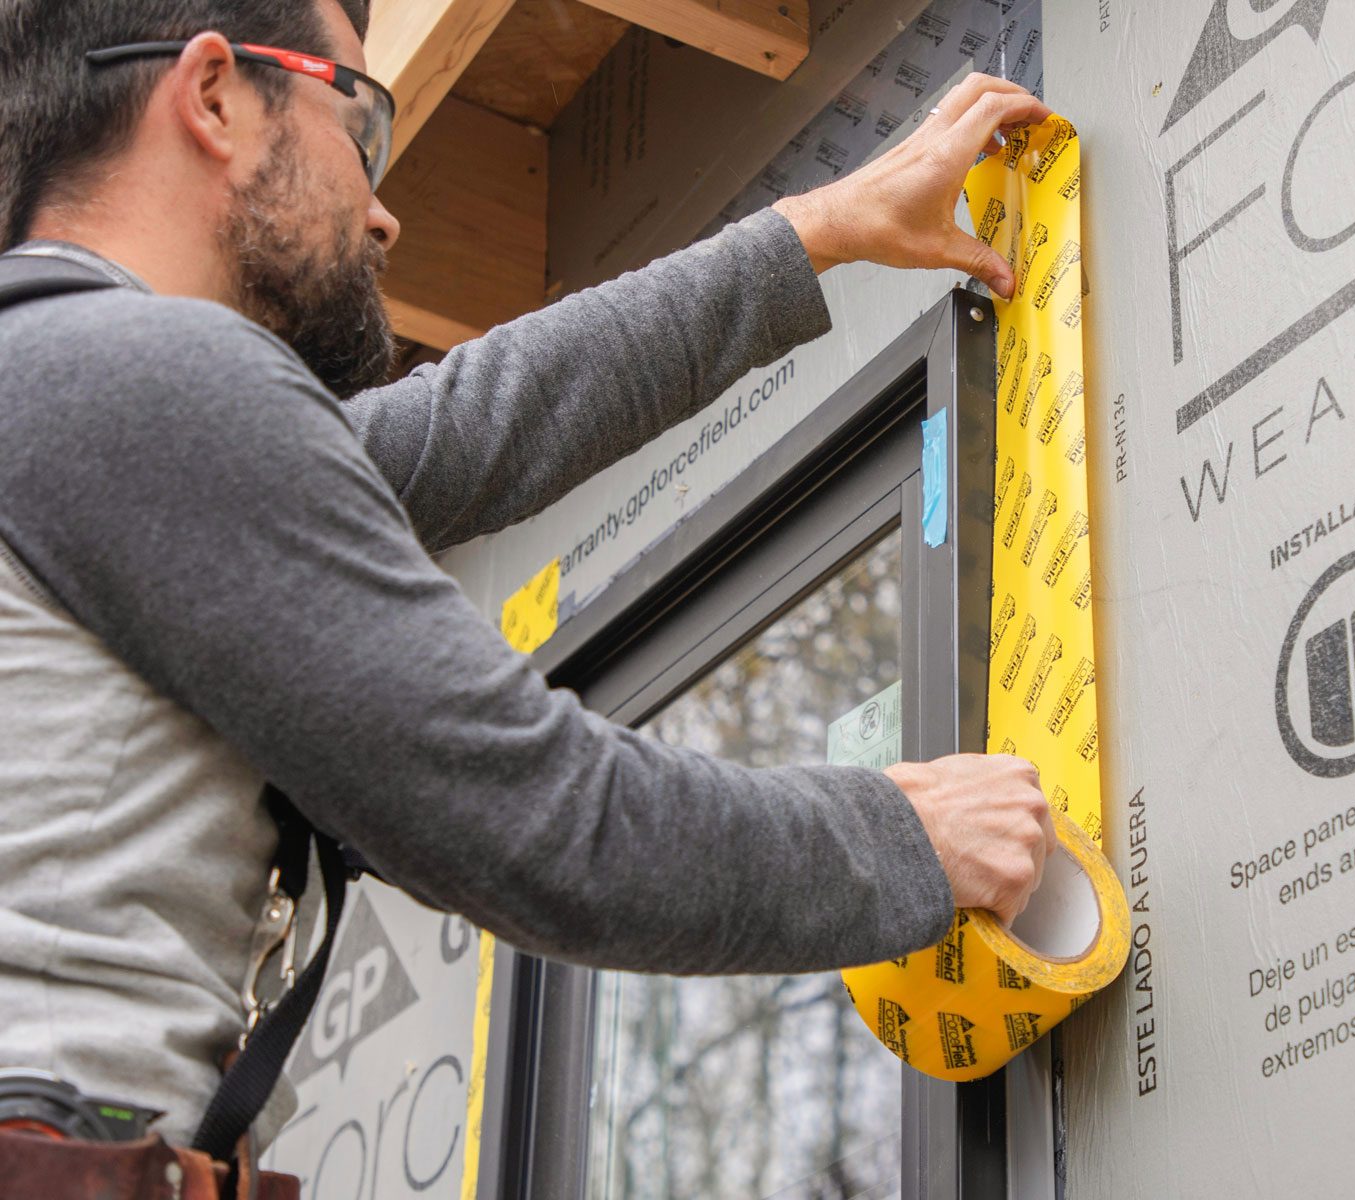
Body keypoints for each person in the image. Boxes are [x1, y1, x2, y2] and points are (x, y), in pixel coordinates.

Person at [0, 0, 1055, 1169]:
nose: (385, 213)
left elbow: (469, 431)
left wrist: (817, 230)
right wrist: (909, 837)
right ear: (212, 98)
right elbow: (545, 820)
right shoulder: (131, 388)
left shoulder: (65, 397)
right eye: (362, 126)